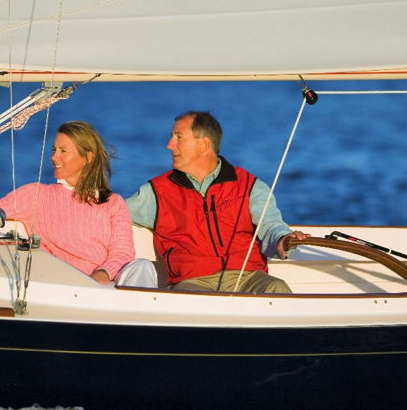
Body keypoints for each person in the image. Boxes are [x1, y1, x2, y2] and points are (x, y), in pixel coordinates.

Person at [0, 121, 157, 287]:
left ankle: (142, 326)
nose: (54, 157)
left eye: (63, 151)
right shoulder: (36, 195)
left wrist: (102, 274)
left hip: (105, 285)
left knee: (143, 266)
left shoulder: (112, 202)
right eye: (54, 150)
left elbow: (122, 253)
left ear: (87, 158)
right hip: (64, 286)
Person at [126, 111, 309, 293]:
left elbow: (270, 225)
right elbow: (115, 213)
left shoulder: (249, 185)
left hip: (247, 277)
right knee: (188, 299)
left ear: (204, 145)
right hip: (193, 282)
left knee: (277, 287)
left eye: (179, 137)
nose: (169, 145)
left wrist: (283, 239)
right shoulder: (156, 191)